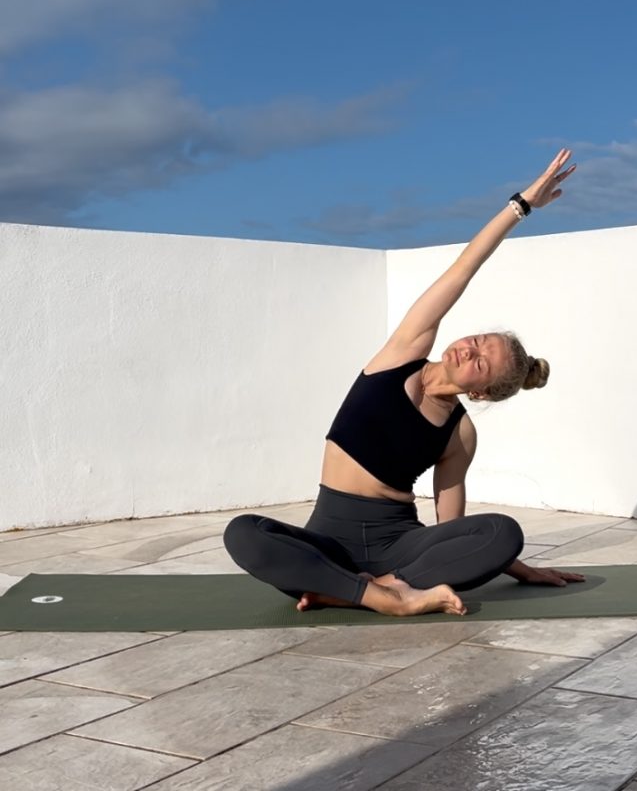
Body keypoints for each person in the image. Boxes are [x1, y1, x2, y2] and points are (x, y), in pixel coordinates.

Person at [224, 148, 585, 616]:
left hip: (400, 547)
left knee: (502, 532)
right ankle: (388, 598)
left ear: (480, 393)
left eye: (480, 363)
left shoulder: (460, 432)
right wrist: (521, 206)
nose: (468, 350)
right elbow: (462, 271)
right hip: (328, 540)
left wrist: (515, 566)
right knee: (243, 532)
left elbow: (448, 528)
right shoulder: (403, 354)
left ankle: (361, 589)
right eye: (476, 340)